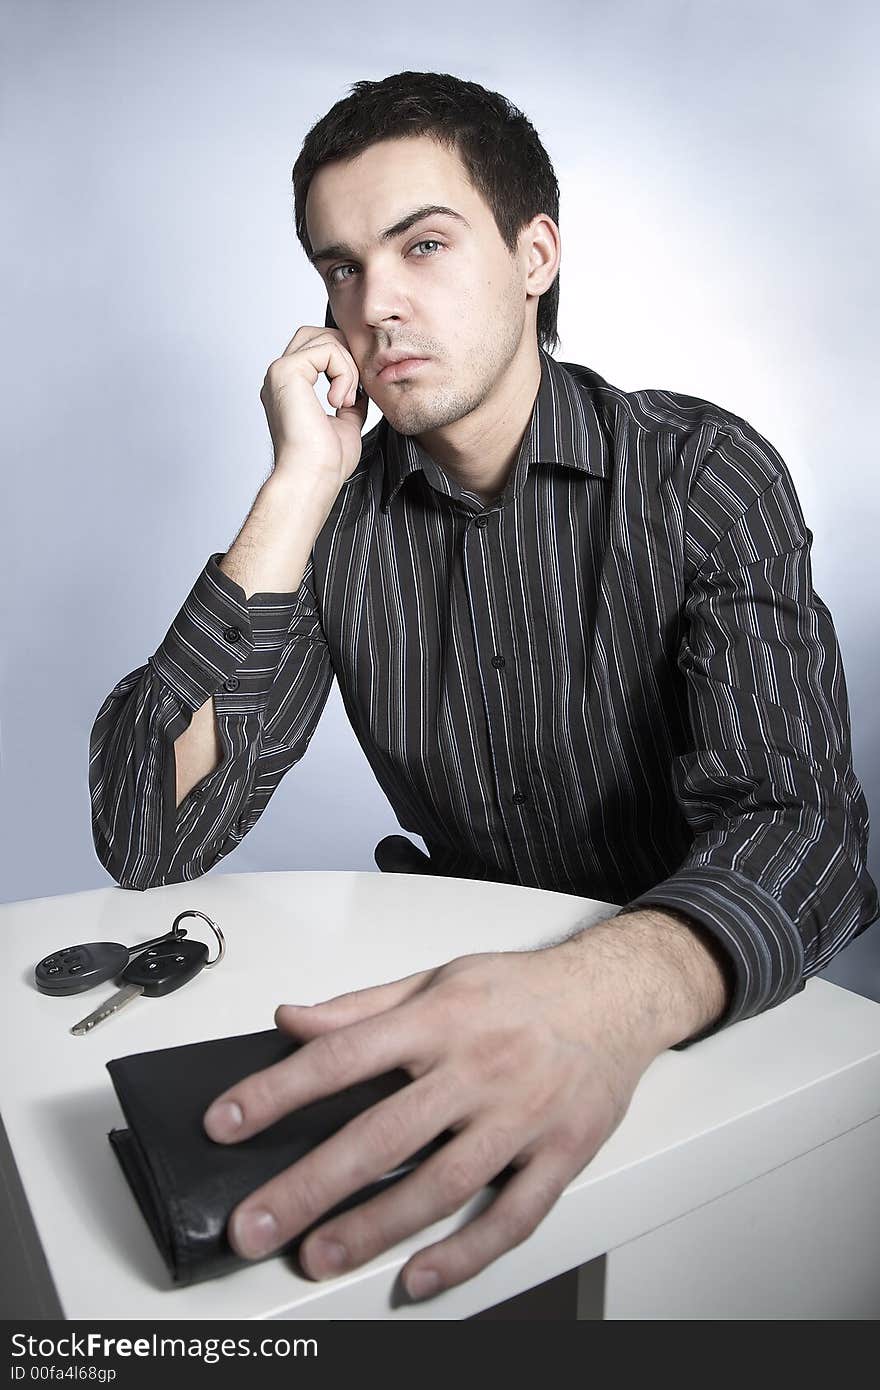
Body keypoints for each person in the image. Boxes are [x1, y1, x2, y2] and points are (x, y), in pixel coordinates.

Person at [89, 70, 877, 1302]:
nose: (375, 304)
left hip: (699, 1007)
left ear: (534, 256)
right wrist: (295, 489)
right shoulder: (334, 525)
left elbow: (807, 828)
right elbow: (150, 831)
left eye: (424, 244)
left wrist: (598, 994)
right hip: (457, 1006)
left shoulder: (701, 474)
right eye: (339, 268)